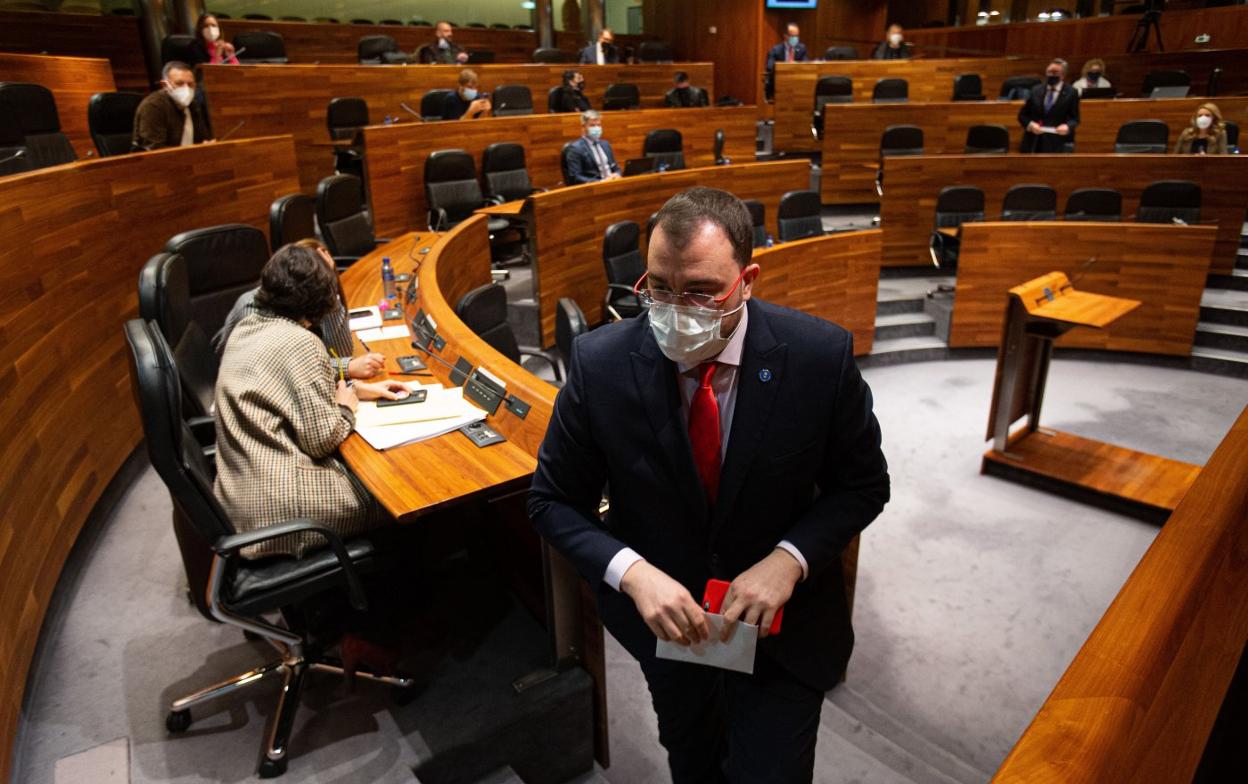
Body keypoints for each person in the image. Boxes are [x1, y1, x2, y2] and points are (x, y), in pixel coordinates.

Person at [529, 186, 889, 784]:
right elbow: (552, 501)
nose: (676, 309)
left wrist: (789, 560)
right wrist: (633, 574)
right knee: (693, 763)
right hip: (668, 634)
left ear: (746, 281)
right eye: (659, 288)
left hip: (783, 634)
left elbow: (863, 485)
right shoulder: (600, 363)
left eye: (699, 291)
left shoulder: (818, 357)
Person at [214, 243, 410, 560]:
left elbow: (284, 389)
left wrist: (356, 390)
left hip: (240, 497)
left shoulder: (246, 328)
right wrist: (345, 407)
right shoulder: (300, 341)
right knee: (396, 492)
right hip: (283, 510)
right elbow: (321, 440)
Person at [213, 239, 385, 380]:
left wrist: (329, 285)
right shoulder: (254, 309)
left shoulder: (305, 301)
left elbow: (340, 353)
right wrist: (346, 368)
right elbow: (284, 369)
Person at [132, 61, 212, 151]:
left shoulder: (193, 104)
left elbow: (203, 138)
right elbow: (155, 150)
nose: (186, 89)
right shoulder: (153, 106)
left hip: (190, 157)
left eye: (190, 84)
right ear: (165, 85)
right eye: (179, 84)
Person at [1018, 58, 1079, 153]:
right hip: (1033, 141)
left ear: (1063, 75)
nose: (1051, 75)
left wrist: (1067, 126)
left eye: (1055, 72)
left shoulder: (1071, 93)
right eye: (1049, 72)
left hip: (1057, 141)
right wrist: (1031, 125)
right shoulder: (1035, 90)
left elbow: (1075, 118)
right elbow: (1022, 115)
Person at [565, 110, 620, 183]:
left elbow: (615, 167)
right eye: (592, 125)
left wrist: (617, 174)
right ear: (583, 127)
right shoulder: (575, 149)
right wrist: (601, 182)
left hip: (613, 183)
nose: (596, 128)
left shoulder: (605, 144)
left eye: (598, 125)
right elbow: (575, 177)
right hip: (595, 187)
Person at [765, 23, 807, 99]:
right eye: (793, 36)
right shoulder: (775, 50)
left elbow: (806, 65)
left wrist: (796, 65)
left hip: (797, 83)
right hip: (779, 84)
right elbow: (769, 67)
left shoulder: (801, 49)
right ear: (785, 36)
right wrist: (785, 67)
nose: (795, 39)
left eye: (797, 36)